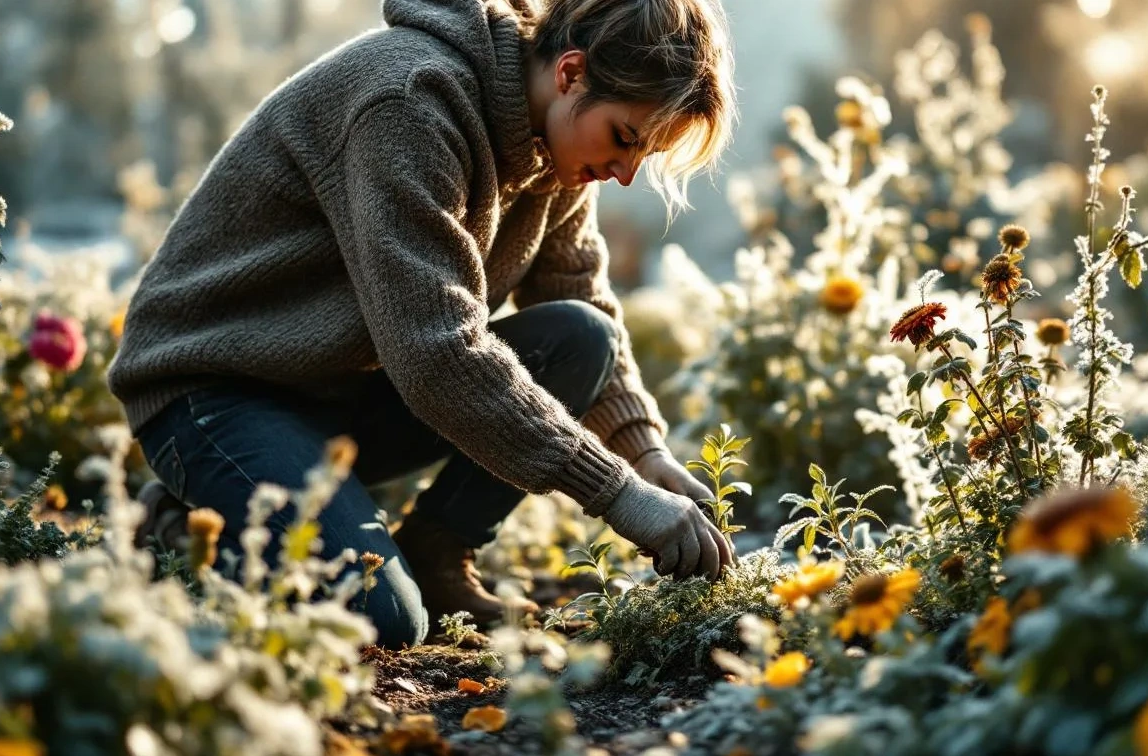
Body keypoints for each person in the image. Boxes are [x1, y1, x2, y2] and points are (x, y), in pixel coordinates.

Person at [108, 0, 737, 649]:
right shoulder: (408, 100)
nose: (626, 173)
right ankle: (181, 527)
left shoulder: (558, 145)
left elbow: (579, 295)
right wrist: (618, 492)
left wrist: (645, 451)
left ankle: (437, 556)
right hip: (214, 394)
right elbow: (438, 355)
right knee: (380, 623)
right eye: (626, 138)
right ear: (572, 73)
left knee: (582, 337)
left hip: (338, 398)